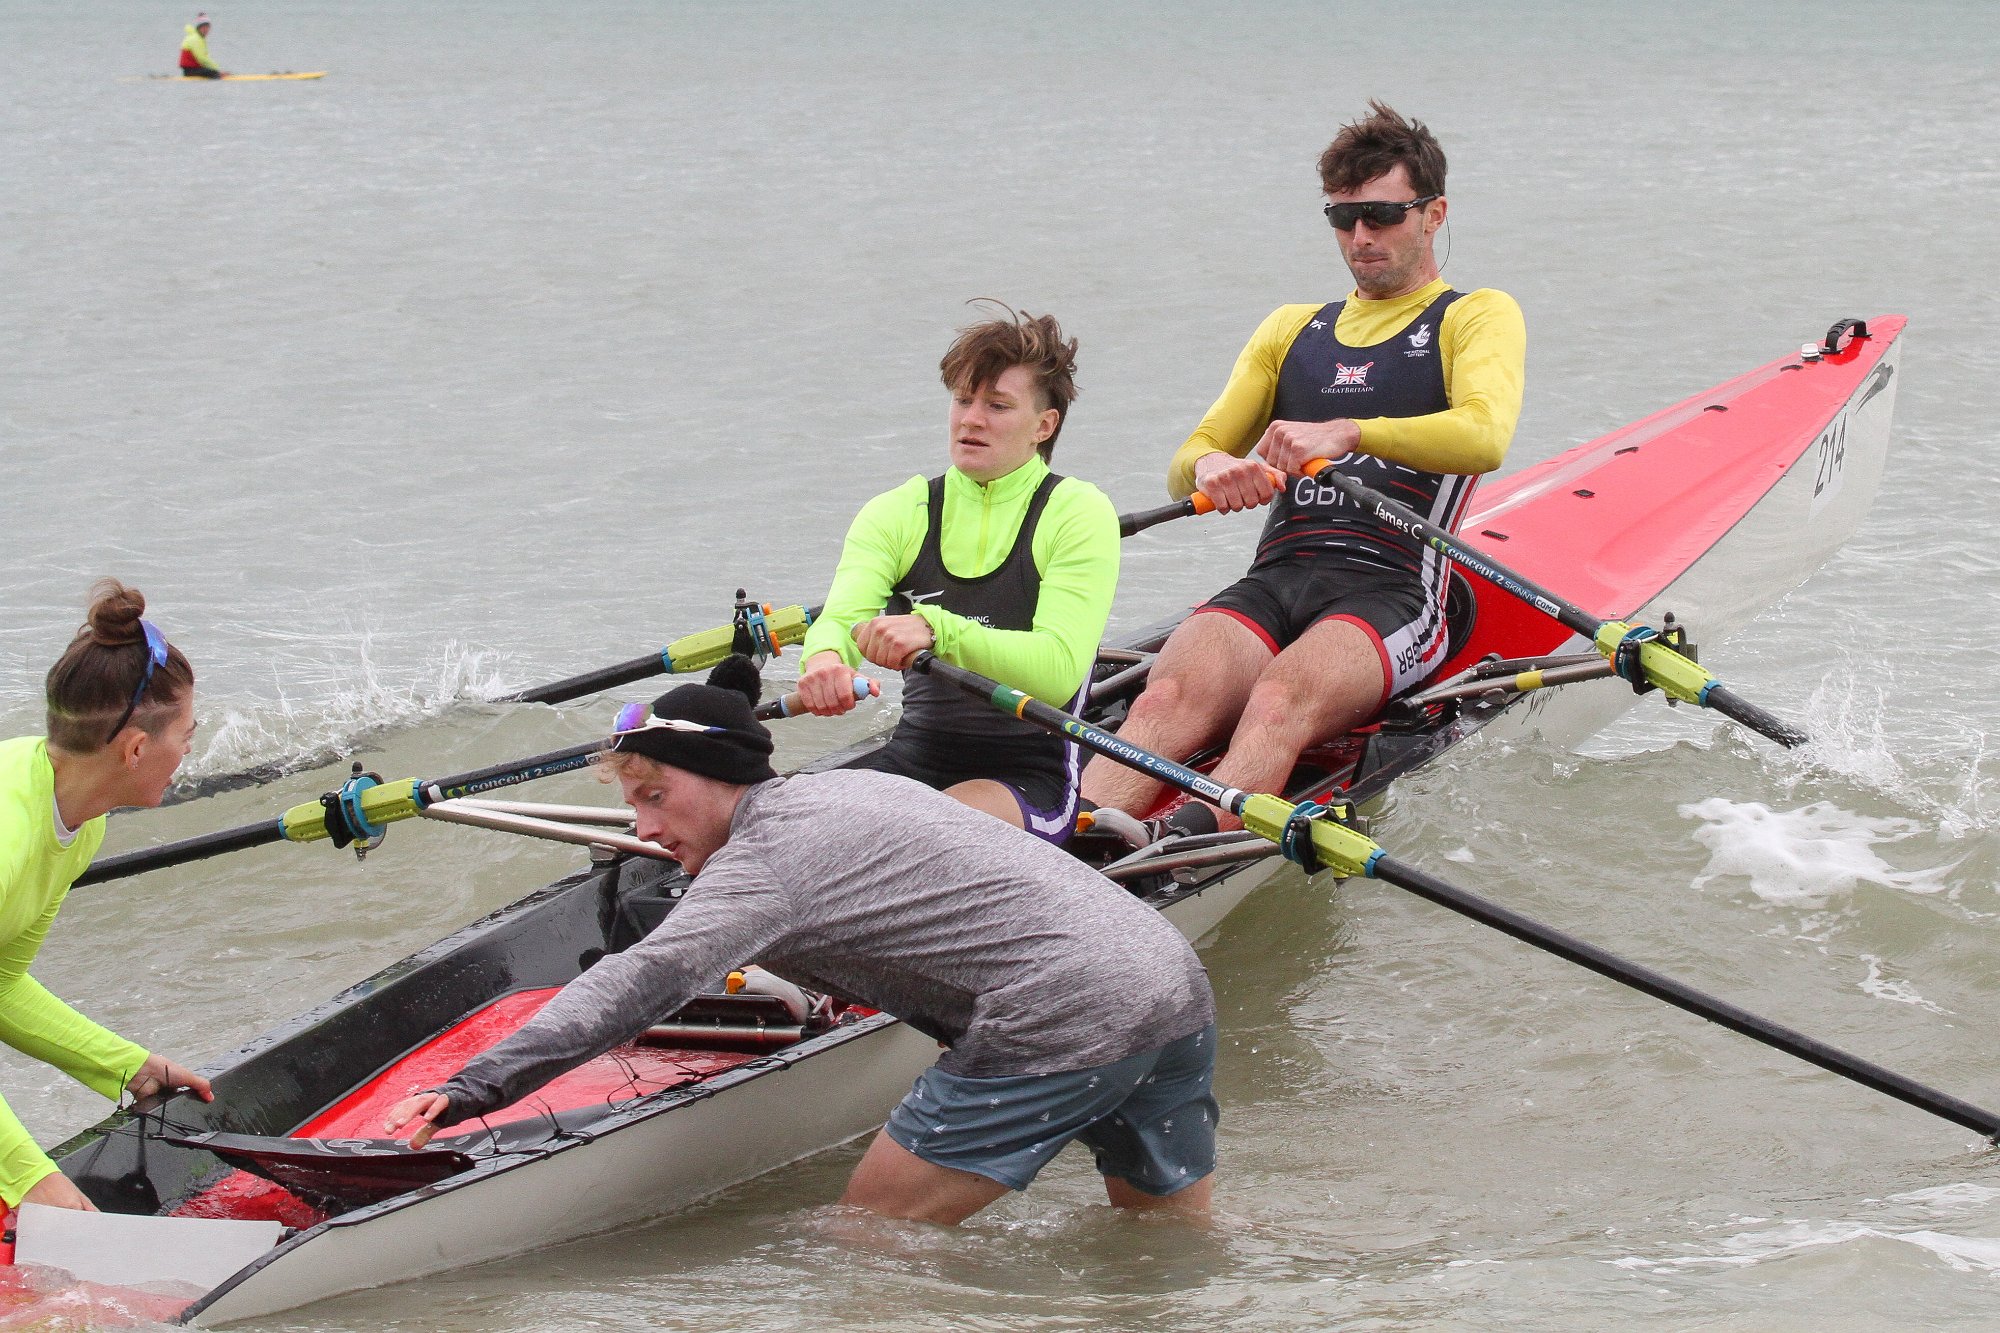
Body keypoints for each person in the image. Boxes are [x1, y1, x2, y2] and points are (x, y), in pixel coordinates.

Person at [385, 660, 1217, 1224]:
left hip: (1063, 1011)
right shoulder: (845, 790)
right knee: (1164, 1238)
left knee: (871, 1237)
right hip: (1168, 976)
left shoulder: (764, 864)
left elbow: (644, 979)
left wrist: (474, 1087)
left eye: (655, 793)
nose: (642, 824)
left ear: (721, 778)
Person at [1080, 102, 1526, 830]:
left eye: (1381, 215)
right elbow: (1187, 458)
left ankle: (1179, 852)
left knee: (1279, 697)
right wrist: (1215, 469)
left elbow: (1484, 436)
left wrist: (1351, 431)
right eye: (1342, 219)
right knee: (1163, 700)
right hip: (1276, 579)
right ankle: (1069, 842)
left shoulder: (1475, 315)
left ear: (1434, 212)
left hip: (1393, 595)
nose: (1360, 238)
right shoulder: (1291, 329)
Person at [791, 306, 1120, 843]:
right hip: (915, 755)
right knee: (793, 832)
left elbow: (1057, 671)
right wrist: (825, 661)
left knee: (930, 833)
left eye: (997, 405)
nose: (971, 419)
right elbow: (842, 619)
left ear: (1044, 424)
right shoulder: (897, 511)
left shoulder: (1077, 512)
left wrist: (938, 630)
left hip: (1025, 775)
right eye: (963, 400)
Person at [1, 581, 215, 1214]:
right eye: (187, 736)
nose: (186, 754)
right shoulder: (7, 837)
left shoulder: (78, 818)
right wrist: (30, 1181)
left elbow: (2, 982)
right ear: (136, 748)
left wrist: (126, 1066)